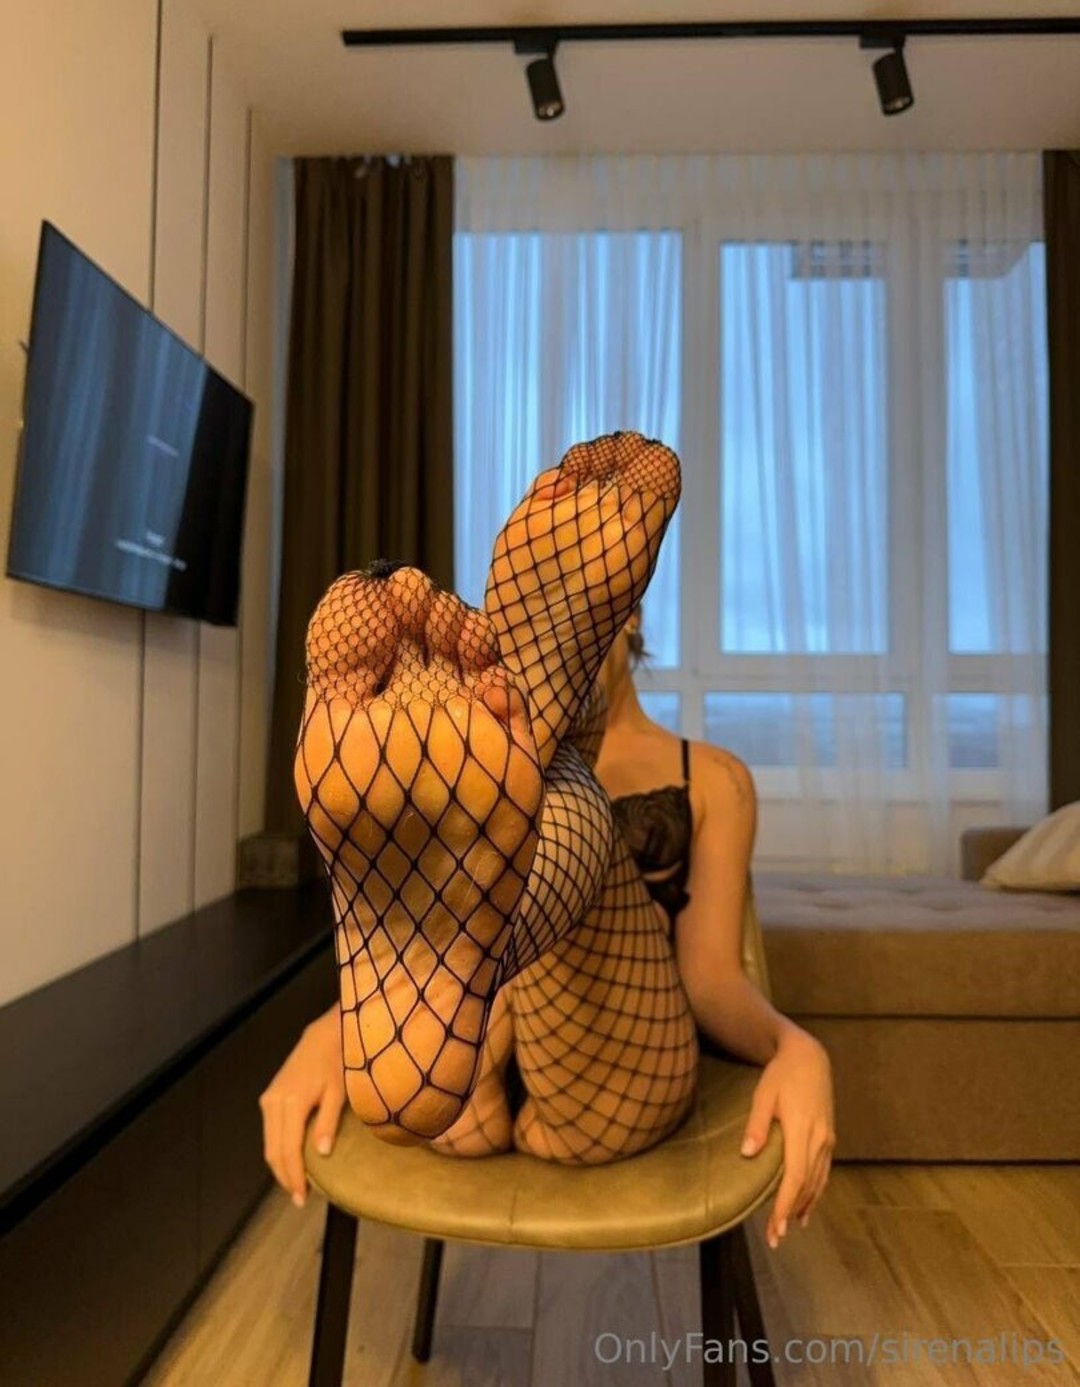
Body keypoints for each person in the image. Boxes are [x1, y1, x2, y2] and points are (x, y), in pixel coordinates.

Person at [261, 433, 835, 1251]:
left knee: (558, 802)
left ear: (629, 612)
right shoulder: (472, 740)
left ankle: (544, 771)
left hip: (614, 1067)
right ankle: (538, 770)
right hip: (471, 1074)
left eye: (577, 620)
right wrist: (333, 1029)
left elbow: (711, 979)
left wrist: (793, 1044)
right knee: (531, 787)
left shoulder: (711, 776)